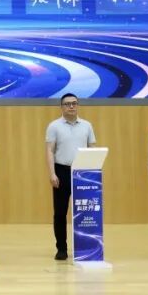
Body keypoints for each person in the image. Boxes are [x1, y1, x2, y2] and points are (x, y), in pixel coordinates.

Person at [45, 93, 97, 260]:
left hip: (83, 173)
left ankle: (86, 246)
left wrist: (94, 172)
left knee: (85, 211)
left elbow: (92, 148)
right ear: (61, 107)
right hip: (61, 172)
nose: (71, 106)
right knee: (60, 213)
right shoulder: (54, 126)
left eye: (74, 103)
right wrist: (52, 173)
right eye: (67, 104)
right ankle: (61, 248)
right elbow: (49, 151)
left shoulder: (87, 125)